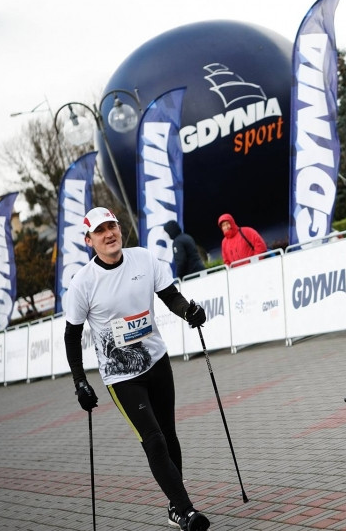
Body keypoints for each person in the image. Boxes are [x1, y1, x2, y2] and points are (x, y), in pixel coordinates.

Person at [63, 207, 211, 531]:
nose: (109, 234)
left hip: (157, 361)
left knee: (169, 436)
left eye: (112, 226)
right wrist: (79, 382)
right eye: (100, 230)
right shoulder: (83, 283)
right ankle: (187, 512)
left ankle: (175, 505)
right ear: (89, 240)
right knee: (153, 439)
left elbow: (171, 296)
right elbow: (71, 336)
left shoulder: (143, 259)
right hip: (121, 377)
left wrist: (190, 312)